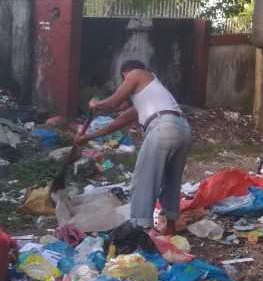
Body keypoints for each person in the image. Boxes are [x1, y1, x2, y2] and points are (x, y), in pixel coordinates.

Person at [75, 60, 192, 235]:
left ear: (125, 74)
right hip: (183, 129)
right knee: (171, 180)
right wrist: (88, 137)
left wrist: (96, 104)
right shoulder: (149, 96)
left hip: (163, 127)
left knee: (144, 180)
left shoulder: (136, 73)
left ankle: (140, 230)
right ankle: (171, 228)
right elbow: (117, 123)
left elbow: (113, 101)